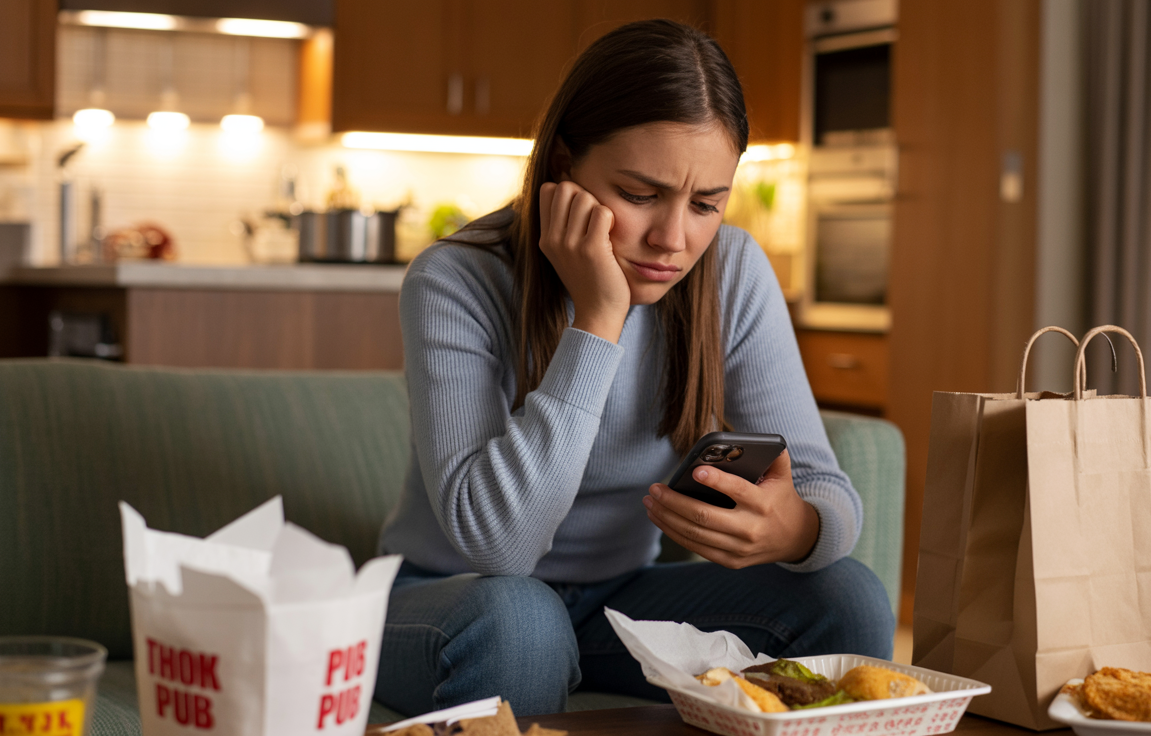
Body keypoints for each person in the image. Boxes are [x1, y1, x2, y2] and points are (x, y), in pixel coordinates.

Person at [374, 19, 895, 718]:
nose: (672, 240)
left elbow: (827, 491)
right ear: (563, 166)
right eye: (641, 195)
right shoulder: (456, 281)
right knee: (521, 622)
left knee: (847, 594)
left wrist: (793, 528)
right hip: (457, 598)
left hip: (619, 600)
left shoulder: (731, 272)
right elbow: (501, 545)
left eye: (707, 204)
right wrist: (598, 319)